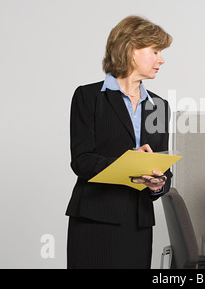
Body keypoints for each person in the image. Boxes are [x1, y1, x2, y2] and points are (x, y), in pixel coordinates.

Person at [65, 15, 173, 269]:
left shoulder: (158, 106)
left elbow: (164, 170)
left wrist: (158, 184)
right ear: (132, 50)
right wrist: (129, 163)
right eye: (155, 51)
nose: (162, 59)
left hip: (138, 222)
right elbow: (82, 161)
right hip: (95, 219)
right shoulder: (88, 97)